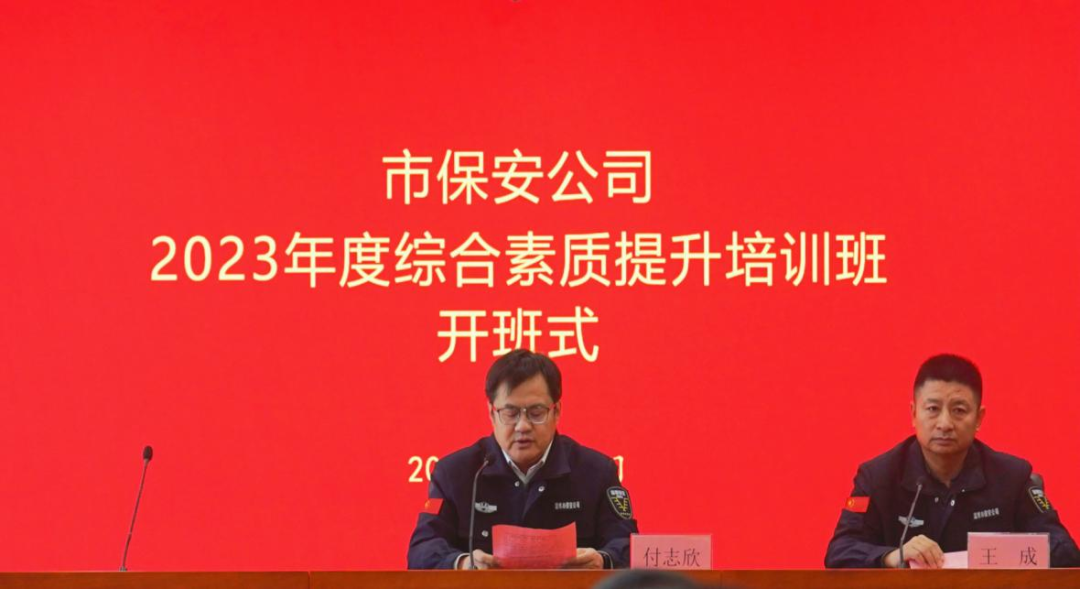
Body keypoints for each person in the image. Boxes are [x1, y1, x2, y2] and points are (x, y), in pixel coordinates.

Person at [825, 353, 1080, 568]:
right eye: (932, 409)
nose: (945, 424)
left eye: (959, 410)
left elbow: (1066, 552)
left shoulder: (1013, 477)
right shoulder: (878, 477)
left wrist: (994, 554)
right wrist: (893, 556)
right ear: (913, 414)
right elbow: (840, 551)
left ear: (979, 418)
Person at [407, 349, 638, 569]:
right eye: (510, 413)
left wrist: (602, 560)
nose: (522, 426)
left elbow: (629, 546)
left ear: (556, 411)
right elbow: (421, 550)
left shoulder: (596, 472)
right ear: (491, 413)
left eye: (536, 413)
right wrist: (464, 564)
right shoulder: (456, 473)